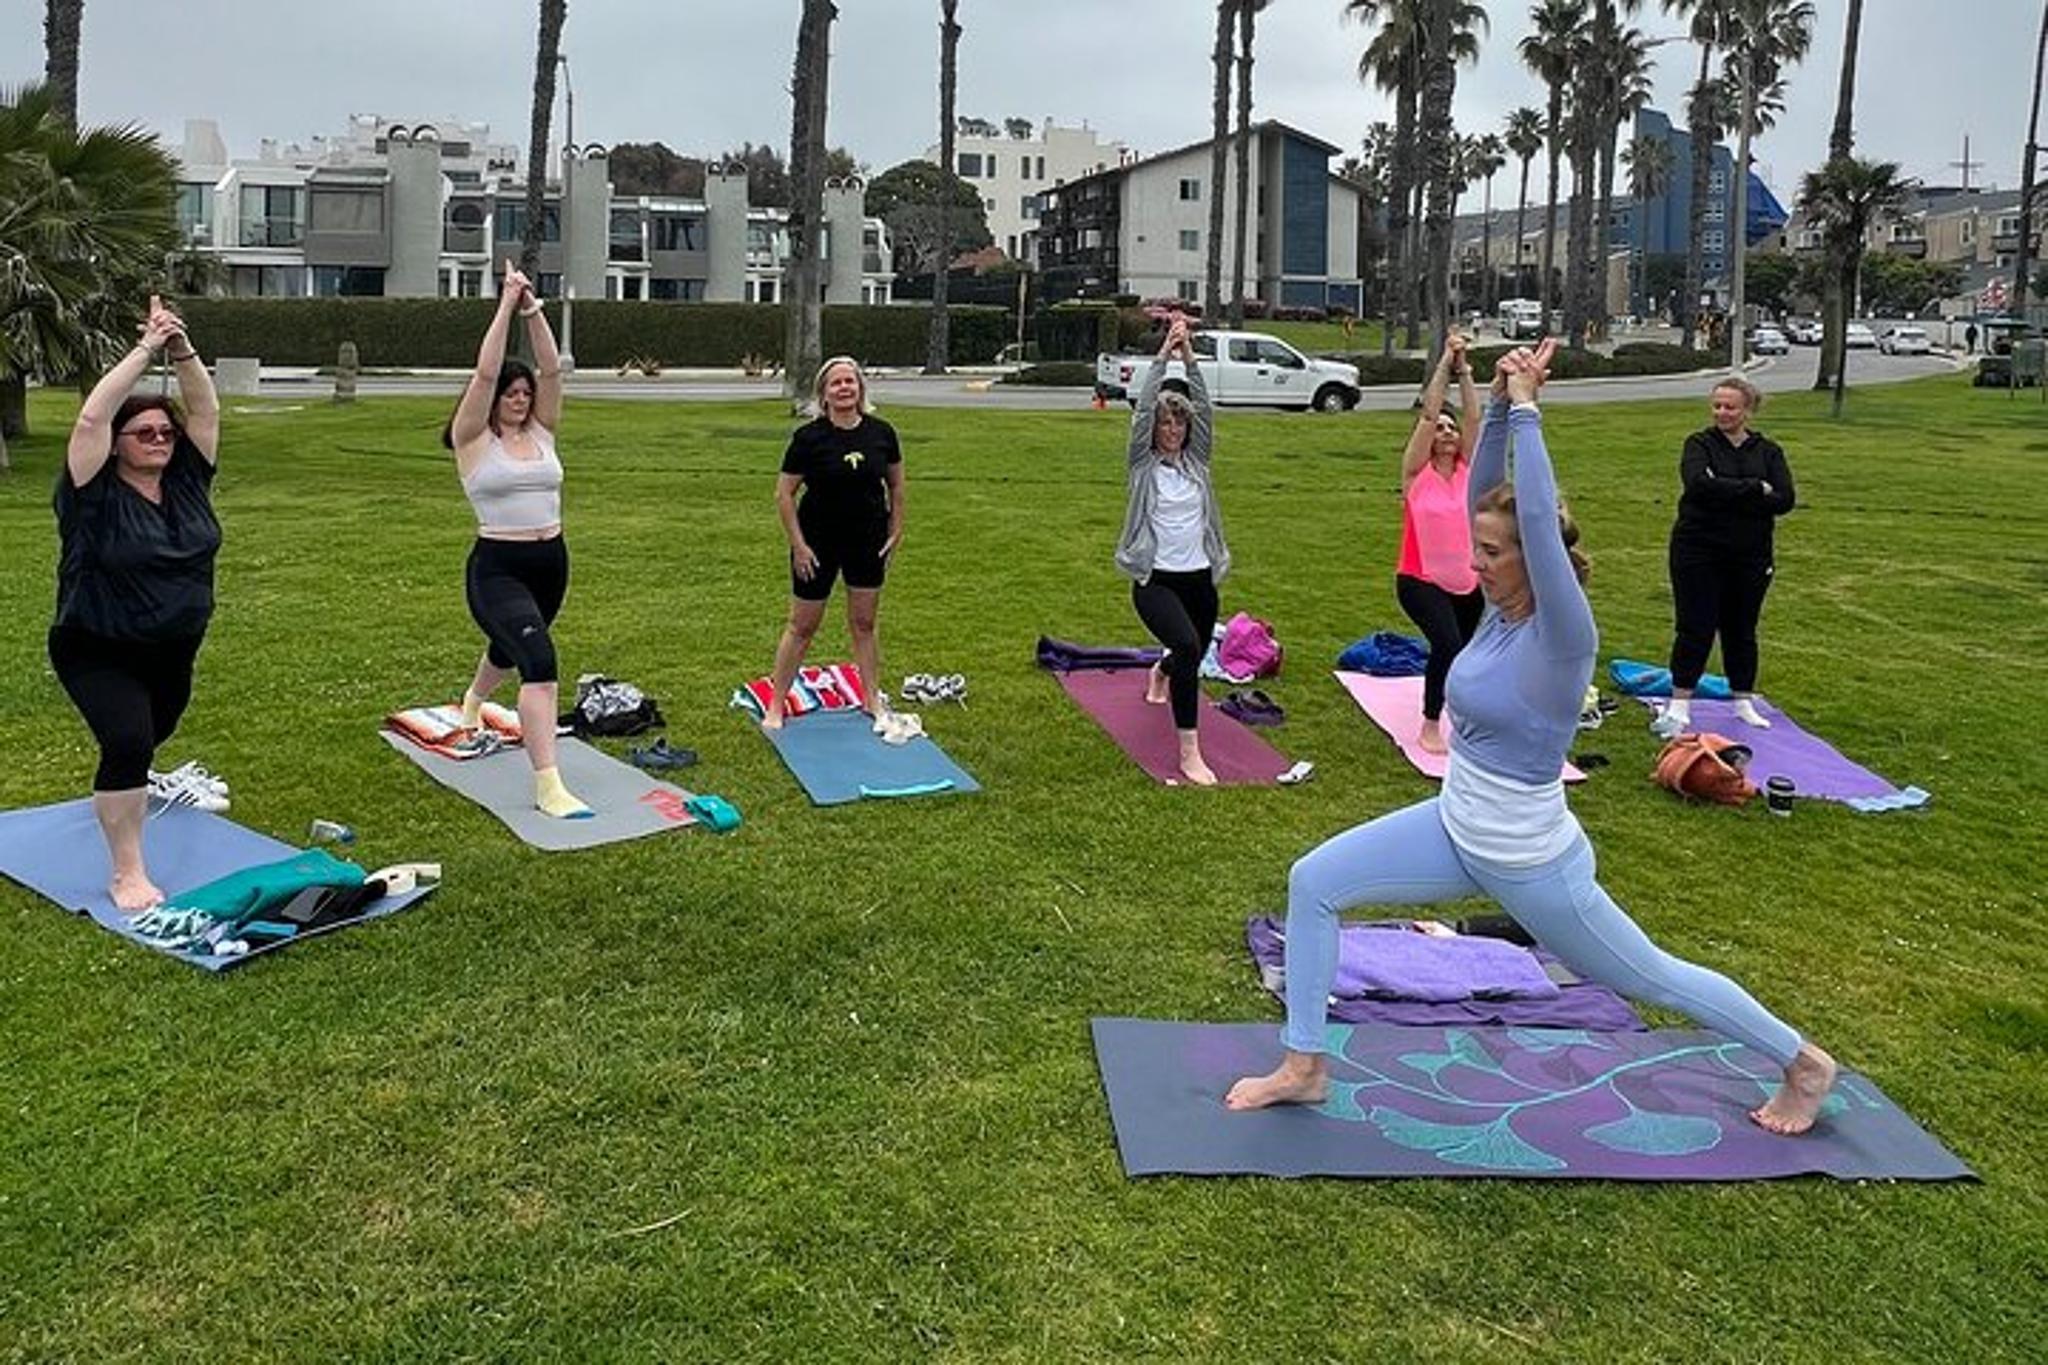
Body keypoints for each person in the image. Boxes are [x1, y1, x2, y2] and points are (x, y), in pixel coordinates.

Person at [1225, 340, 1838, 1136]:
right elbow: (1492, 491)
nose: (1474, 564)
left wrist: (1536, 416)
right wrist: (1507, 403)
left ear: (1532, 561)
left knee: (1654, 975)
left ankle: (1801, 1060)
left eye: (1490, 553)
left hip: (1529, 861)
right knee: (1314, 881)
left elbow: (1537, 522)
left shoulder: (1560, 637)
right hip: (1456, 825)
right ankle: (1305, 1064)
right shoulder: (1498, 611)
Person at [52, 295, 223, 911]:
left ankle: (134, 779)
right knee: (126, 742)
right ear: (120, 443)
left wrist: (181, 349)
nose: (158, 439)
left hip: (174, 646)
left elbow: (205, 409)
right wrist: (146, 349)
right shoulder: (90, 493)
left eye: (164, 432)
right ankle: (127, 872)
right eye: (143, 432)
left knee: (149, 737)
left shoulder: (185, 480)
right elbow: (91, 422)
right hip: (97, 644)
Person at [446, 262, 589, 819]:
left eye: (526, 392)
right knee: (538, 658)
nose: (521, 398)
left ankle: (473, 702)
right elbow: (482, 376)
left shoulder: (542, 432)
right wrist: (504, 304)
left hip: (551, 560)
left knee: (510, 648)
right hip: (497, 566)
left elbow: (553, 371)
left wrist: (533, 307)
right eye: (512, 392)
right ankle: (549, 784)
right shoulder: (473, 440)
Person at [760, 355, 908, 733]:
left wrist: (895, 530)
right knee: (802, 625)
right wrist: (799, 545)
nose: (844, 388)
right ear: (823, 393)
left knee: (864, 622)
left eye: (850, 382)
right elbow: (783, 494)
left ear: (860, 388)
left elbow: (896, 487)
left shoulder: (882, 434)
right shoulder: (809, 438)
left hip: (867, 541)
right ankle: (776, 704)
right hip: (817, 543)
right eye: (836, 383)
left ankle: (871, 697)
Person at [1115, 315, 1229, 786]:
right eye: (1166, 423)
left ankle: (1161, 673)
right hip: (1155, 579)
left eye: (1179, 424)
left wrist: (1189, 356)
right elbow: (1143, 410)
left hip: (1199, 576)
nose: (1173, 431)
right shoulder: (1142, 466)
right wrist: (1164, 355)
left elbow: (1204, 408)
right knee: (1186, 645)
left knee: (1191, 653)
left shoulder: (1197, 463)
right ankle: (1189, 751)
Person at [1653, 374, 1794, 738]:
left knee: (1741, 628)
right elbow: (1698, 485)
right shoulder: (1699, 444)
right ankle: (1680, 702)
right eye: (1717, 405)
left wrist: (1728, 489)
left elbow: (1784, 499)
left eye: (1730, 407)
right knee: (1695, 626)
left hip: (1750, 554)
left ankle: (1742, 700)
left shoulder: (1769, 452)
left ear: (1747, 410)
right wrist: (1753, 488)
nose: (1722, 413)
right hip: (1698, 550)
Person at [1394, 332, 1483, 755]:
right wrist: (1446, 361)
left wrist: (1465, 370)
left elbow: (1474, 418)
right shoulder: (1417, 476)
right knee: (1446, 644)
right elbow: (1430, 413)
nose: (1446, 431)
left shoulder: (1469, 472)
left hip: (1469, 582)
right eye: (1440, 429)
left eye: (1451, 429)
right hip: (1419, 579)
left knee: (1465, 656)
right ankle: (1430, 723)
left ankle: (1462, 718)